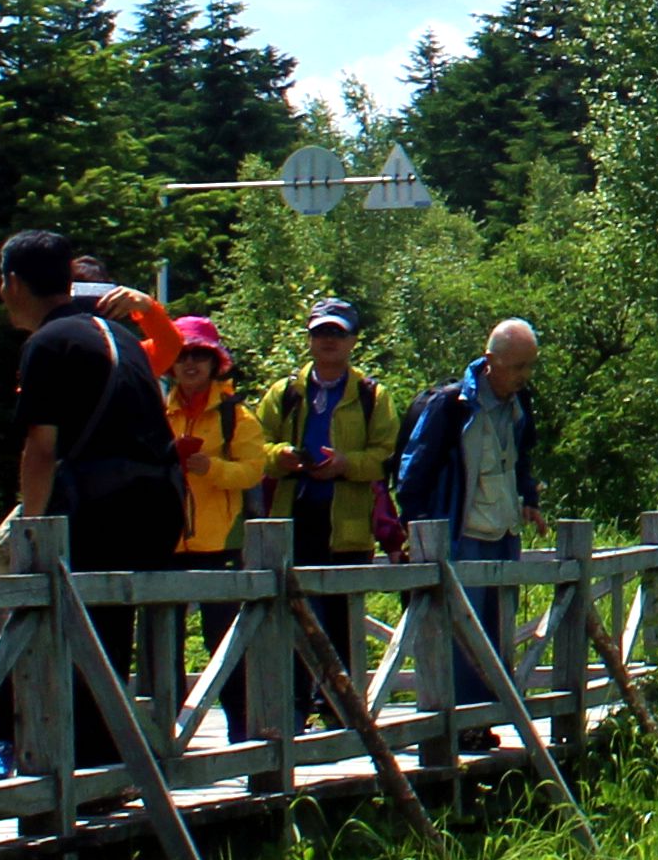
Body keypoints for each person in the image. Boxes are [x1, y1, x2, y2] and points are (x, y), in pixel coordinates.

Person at [1, 228, 176, 766]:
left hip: (99, 511)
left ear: (13, 283)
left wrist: (31, 527)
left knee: (54, 627)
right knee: (104, 638)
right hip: (157, 509)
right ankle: (100, 760)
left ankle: (62, 765)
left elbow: (40, 448)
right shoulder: (119, 337)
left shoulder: (49, 343)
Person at [394, 319, 540, 677]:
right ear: (490, 360)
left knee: (496, 637)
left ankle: (483, 722)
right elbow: (414, 470)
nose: (524, 375)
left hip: (504, 536)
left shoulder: (520, 403)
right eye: (517, 366)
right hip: (462, 537)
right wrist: (416, 529)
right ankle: (455, 724)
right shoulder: (450, 405)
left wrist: (530, 498)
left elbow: (521, 458)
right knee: (459, 636)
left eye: (530, 365)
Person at [161, 314, 279, 741]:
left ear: (215, 363)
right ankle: (166, 740)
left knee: (226, 646)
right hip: (167, 544)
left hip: (220, 543)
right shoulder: (157, 412)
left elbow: (253, 471)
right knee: (163, 649)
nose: (190, 364)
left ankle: (243, 736)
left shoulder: (236, 416)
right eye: (181, 355)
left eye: (199, 356)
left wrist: (209, 467)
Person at [282, 297, 400, 673]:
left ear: (353, 341)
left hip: (349, 524)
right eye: (321, 333)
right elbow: (258, 448)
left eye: (337, 332)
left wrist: (346, 464)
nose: (328, 340)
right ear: (310, 339)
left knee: (342, 623)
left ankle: (344, 714)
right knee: (293, 617)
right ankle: (297, 708)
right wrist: (283, 455)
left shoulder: (372, 396)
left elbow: (385, 455)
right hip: (294, 518)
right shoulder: (285, 394)